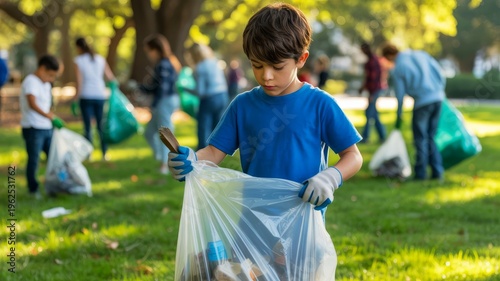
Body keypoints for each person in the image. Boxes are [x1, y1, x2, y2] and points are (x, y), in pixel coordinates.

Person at [169, 3, 362, 214]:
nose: (266, 76)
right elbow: (214, 152)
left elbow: (353, 155)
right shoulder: (242, 106)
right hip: (254, 220)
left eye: (277, 67)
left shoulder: (320, 104)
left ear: (301, 59)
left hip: (303, 220)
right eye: (257, 65)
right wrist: (193, 159)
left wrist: (331, 177)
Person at [382, 43, 445, 180]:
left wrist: (399, 116)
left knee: (420, 139)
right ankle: (437, 172)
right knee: (431, 137)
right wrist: (440, 91)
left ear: (389, 56)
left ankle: (420, 174)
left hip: (422, 103)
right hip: (438, 99)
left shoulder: (398, 68)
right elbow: (440, 73)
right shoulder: (421, 54)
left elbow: (400, 95)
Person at [20, 55, 64, 199]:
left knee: (55, 157)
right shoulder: (31, 81)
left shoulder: (45, 84)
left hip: (46, 127)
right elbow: (33, 104)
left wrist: (51, 118)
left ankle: (57, 185)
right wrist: (50, 117)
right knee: (34, 159)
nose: (51, 79)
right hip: (33, 127)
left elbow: (45, 105)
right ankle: (33, 189)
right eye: (50, 75)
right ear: (42, 68)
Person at [139, 34, 181, 174]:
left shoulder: (163, 64)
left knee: (165, 133)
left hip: (165, 100)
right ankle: (161, 158)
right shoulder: (168, 62)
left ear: (155, 50)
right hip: (168, 99)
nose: (148, 55)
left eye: (148, 51)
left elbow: (161, 87)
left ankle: (165, 164)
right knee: (149, 133)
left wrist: (154, 104)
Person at [73, 37, 116, 161]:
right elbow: (110, 77)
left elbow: (79, 82)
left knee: (87, 126)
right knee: (100, 125)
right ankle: (104, 153)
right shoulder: (100, 59)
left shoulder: (78, 60)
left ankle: (88, 153)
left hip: (86, 95)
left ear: (78, 47)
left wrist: (75, 99)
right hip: (99, 95)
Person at [187, 44, 229, 150]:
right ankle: (217, 153)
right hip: (223, 96)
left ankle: (202, 157)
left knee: (203, 128)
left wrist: (185, 89)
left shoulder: (199, 67)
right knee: (216, 128)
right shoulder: (214, 62)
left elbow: (200, 92)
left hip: (209, 99)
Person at [359, 42, 386, 143]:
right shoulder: (370, 60)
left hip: (375, 90)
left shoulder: (373, 61)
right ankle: (382, 136)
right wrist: (363, 87)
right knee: (374, 114)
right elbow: (367, 78)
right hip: (373, 90)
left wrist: (371, 95)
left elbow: (374, 79)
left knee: (369, 113)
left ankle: (365, 137)